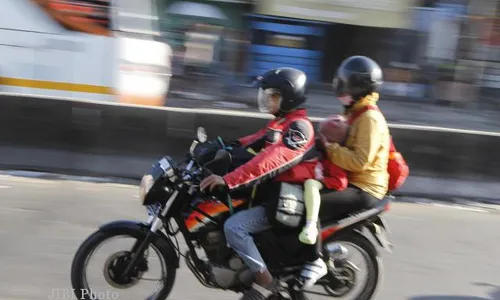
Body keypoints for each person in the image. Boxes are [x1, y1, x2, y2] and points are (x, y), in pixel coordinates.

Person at [200, 67, 318, 300]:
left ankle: (265, 280)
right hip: (269, 193)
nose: (266, 99)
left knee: (234, 227)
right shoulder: (282, 122)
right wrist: (220, 148)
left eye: (272, 95)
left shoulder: (299, 128)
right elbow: (253, 141)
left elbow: (268, 161)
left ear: (289, 96)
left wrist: (228, 180)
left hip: (284, 200)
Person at [298, 114, 349, 246]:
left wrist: (322, 180)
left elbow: (340, 182)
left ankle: (311, 226)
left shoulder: (334, 157)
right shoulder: (316, 150)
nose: (318, 138)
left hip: (321, 185)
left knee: (311, 184)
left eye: (322, 136)